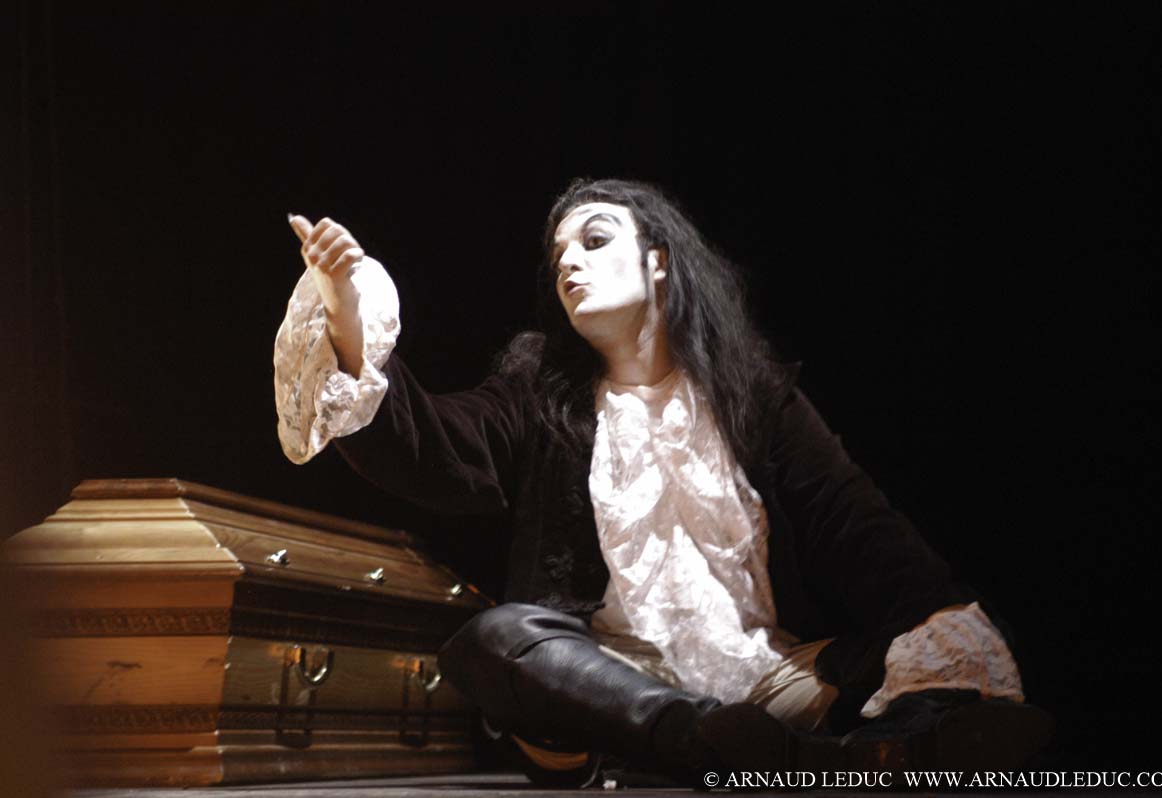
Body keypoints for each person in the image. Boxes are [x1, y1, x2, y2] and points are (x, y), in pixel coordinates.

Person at [274, 178, 1050, 787]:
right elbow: (435, 449)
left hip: (776, 685)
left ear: (659, 260)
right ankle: (738, 751)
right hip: (617, 697)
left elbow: (858, 527)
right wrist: (346, 317)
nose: (568, 262)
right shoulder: (540, 391)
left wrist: (945, 629)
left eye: (594, 239)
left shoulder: (756, 399)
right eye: (557, 255)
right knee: (498, 641)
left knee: (933, 648)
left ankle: (833, 759)